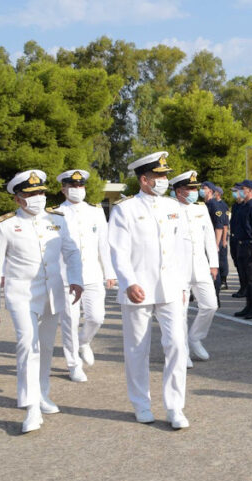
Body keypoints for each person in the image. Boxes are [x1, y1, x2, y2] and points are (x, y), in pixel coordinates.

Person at [0, 170, 83, 433]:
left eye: (40, 192)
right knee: (28, 344)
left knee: (47, 347)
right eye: (30, 194)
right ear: (18, 199)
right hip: (21, 295)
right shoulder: (4, 226)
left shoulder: (57, 221)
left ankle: (42, 394)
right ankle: (31, 407)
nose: (37, 198)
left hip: (52, 293)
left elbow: (72, 252)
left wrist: (76, 279)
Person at [108, 152, 192, 429]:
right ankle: (141, 404)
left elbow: (181, 249)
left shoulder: (173, 207)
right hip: (139, 290)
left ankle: (175, 407)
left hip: (169, 289)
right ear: (144, 180)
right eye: (159, 177)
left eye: (166, 176)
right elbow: (118, 250)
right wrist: (128, 282)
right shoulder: (125, 209)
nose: (164, 181)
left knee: (177, 344)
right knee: (136, 349)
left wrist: (182, 284)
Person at [54, 169, 114, 383]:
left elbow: (104, 244)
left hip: (92, 274)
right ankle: (73, 364)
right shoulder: (55, 213)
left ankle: (84, 341)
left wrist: (109, 271)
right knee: (69, 321)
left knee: (97, 317)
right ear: (63, 189)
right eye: (72, 186)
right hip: (66, 277)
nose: (77, 190)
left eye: (80, 186)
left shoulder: (96, 212)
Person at [170, 171, 219, 366]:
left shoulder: (201, 209)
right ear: (179, 191)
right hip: (179, 270)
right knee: (180, 312)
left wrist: (213, 263)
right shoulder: (169, 209)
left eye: (195, 188)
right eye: (189, 189)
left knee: (210, 305)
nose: (194, 192)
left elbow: (209, 238)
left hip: (200, 266)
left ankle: (195, 337)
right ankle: (183, 351)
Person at [230, 181, 252, 319]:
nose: (240, 191)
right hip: (241, 245)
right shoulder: (243, 206)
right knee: (245, 279)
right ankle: (248, 306)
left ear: (250, 190)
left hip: (250, 246)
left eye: (242, 189)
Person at [202, 182, 230, 298]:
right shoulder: (204, 204)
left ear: (210, 191)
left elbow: (220, 227)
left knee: (214, 269)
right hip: (205, 242)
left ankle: (215, 296)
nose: (201, 190)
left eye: (204, 188)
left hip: (212, 242)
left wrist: (216, 244)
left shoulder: (214, 205)